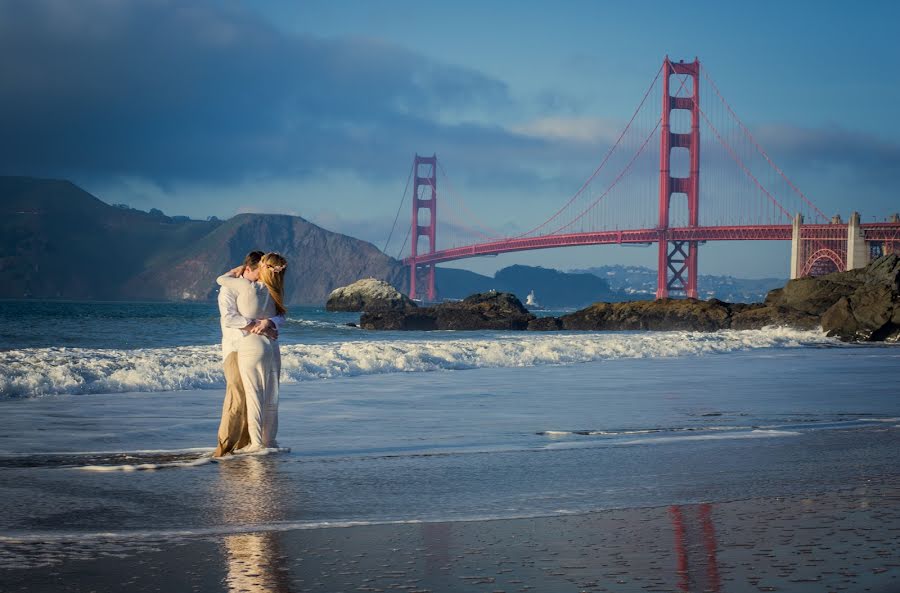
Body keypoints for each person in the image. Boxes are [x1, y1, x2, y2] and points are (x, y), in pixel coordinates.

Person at [213, 251, 284, 457]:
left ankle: (249, 443)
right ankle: (225, 446)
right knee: (237, 396)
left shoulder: (263, 286)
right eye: (258, 272)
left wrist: (267, 324)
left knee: (256, 397)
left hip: (253, 345)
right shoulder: (229, 289)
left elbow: (280, 315)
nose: (262, 276)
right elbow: (229, 318)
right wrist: (258, 325)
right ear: (248, 269)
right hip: (234, 347)